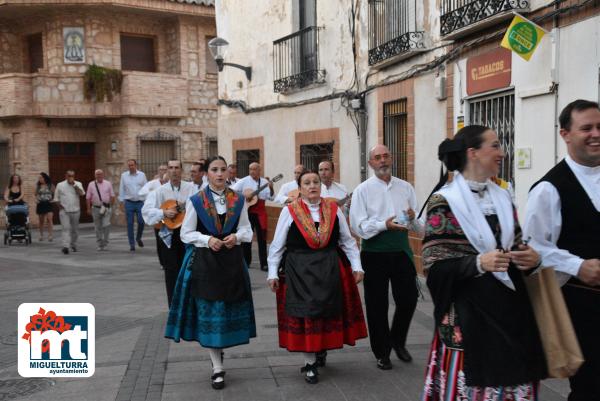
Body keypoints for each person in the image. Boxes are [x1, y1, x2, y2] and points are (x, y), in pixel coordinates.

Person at [421, 125, 546, 401]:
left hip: (509, 309)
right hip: (468, 317)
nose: (501, 152)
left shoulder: (502, 196)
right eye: (495, 146)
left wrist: (531, 259)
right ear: (473, 153)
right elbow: (435, 267)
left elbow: (515, 245)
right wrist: (479, 263)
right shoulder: (444, 202)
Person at [524, 99, 600, 401]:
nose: (596, 133)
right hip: (582, 306)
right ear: (565, 134)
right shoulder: (548, 189)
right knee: (590, 387)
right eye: (587, 128)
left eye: (599, 126)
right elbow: (533, 248)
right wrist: (577, 265)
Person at [267, 170, 367, 384]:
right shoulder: (290, 211)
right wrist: (273, 272)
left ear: (321, 186)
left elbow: (347, 241)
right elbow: (277, 245)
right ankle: (310, 362)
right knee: (307, 315)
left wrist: (357, 266)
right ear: (299, 188)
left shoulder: (333, 209)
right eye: (307, 182)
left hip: (330, 267)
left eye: (316, 182)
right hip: (299, 270)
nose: (312, 185)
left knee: (326, 312)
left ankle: (320, 349)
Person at [165, 156, 256, 390]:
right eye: (214, 170)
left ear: (228, 173)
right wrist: (207, 239)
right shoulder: (196, 200)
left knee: (225, 313)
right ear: (206, 174)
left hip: (232, 262)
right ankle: (217, 367)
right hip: (205, 263)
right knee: (211, 314)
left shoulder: (238, 201)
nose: (219, 174)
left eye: (222, 170)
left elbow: (247, 229)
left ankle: (219, 353)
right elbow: (186, 233)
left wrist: (237, 236)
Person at [349, 144, 422, 369]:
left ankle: (398, 341)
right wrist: (384, 225)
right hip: (374, 253)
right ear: (370, 163)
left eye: (386, 156)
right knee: (377, 305)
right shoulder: (363, 190)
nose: (383, 160)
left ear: (392, 159)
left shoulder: (406, 187)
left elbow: (419, 225)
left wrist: (412, 218)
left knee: (408, 299)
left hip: (401, 252)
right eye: (377, 157)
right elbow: (358, 226)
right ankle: (382, 352)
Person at [142, 159, 195, 307]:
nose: (174, 171)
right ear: (167, 171)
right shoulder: (160, 191)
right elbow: (146, 211)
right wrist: (163, 212)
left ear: (182, 170)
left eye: (177, 167)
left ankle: (188, 304)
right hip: (168, 235)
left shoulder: (191, 189)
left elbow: (200, 205)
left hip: (187, 234)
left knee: (188, 270)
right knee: (171, 271)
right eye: (170, 168)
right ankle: (173, 305)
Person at [231, 162, 274, 271]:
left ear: (259, 170)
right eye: (250, 169)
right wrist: (243, 196)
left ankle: (264, 263)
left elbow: (271, 198)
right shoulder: (244, 181)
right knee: (247, 237)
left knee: (262, 238)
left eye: (254, 169)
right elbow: (232, 191)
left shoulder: (264, 182)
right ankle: (246, 261)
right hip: (248, 211)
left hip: (260, 212)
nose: (252, 171)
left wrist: (271, 188)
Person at [53, 170, 85, 255]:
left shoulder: (78, 184)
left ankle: (73, 244)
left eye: (72, 176)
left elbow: (82, 194)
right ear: (66, 176)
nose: (70, 177)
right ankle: (65, 246)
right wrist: (60, 207)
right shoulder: (60, 185)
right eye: (69, 176)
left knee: (74, 230)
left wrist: (74, 185)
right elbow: (56, 198)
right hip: (65, 211)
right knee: (65, 228)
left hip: (76, 210)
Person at [119, 159, 147, 251]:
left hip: (140, 202)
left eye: (132, 165)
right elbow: (121, 189)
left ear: (136, 165)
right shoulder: (124, 176)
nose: (131, 167)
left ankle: (138, 238)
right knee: (130, 224)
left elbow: (146, 188)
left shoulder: (142, 175)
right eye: (129, 165)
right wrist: (121, 202)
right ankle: (132, 244)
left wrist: (147, 202)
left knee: (141, 221)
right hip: (129, 202)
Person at [86, 169, 115, 251]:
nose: (99, 176)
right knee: (97, 227)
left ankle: (105, 242)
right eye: (97, 174)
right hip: (95, 208)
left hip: (106, 208)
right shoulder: (91, 184)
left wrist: (110, 206)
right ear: (95, 175)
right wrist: (88, 208)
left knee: (106, 225)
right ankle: (100, 243)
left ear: (103, 175)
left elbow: (112, 196)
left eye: (100, 174)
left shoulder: (108, 183)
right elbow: (88, 198)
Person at [35, 172, 54, 241]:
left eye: (41, 177)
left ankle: (50, 235)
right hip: (41, 204)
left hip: (48, 203)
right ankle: (41, 235)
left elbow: (54, 193)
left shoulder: (50, 185)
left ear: (44, 178)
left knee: (49, 219)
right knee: (41, 221)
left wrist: (53, 200)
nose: (39, 179)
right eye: (39, 178)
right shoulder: (38, 186)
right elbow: (36, 194)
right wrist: (36, 200)